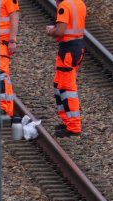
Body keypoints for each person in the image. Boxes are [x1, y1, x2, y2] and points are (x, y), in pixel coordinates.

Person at [46, 0, 86, 138]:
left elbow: (60, 31)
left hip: (68, 50)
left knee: (67, 88)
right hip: (75, 46)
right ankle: (67, 122)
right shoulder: (79, 2)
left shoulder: (64, 6)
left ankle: (74, 126)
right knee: (59, 84)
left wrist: (51, 31)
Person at [0, 0, 20, 117]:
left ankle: (4, 109)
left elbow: (15, 19)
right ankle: (3, 107)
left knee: (1, 75)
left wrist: (12, 40)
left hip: (3, 42)